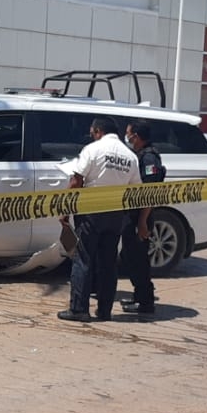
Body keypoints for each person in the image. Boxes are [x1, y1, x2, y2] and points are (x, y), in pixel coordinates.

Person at [59, 117, 141, 323]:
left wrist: (64, 208)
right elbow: (135, 189)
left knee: (84, 259)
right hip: (115, 213)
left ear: (98, 131)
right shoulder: (130, 156)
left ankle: (79, 309)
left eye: (92, 132)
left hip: (91, 211)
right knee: (108, 263)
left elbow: (76, 180)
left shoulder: (92, 150)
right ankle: (104, 311)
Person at [119, 121, 164, 314]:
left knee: (138, 259)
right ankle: (140, 297)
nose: (126, 137)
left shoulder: (149, 158)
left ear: (136, 136)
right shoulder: (139, 156)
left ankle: (145, 302)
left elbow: (150, 192)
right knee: (130, 257)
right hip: (133, 216)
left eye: (128, 134)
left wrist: (143, 221)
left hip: (140, 217)